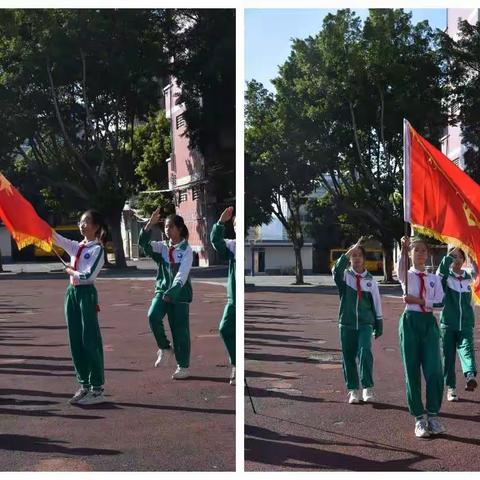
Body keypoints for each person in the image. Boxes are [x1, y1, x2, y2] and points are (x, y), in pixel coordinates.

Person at [52, 209, 107, 405]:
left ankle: (97, 388)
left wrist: (70, 271)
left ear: (96, 226)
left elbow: (89, 276)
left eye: (86, 222)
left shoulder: (97, 249)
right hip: (72, 294)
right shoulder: (78, 247)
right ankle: (84, 385)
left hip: (86, 295)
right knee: (75, 340)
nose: (82, 225)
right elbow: (57, 239)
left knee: (90, 339)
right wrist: (39, 225)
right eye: (80, 222)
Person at [397, 236, 445, 438]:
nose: (420, 254)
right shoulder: (406, 275)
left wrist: (417, 300)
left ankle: (433, 415)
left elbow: (440, 302)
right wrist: (402, 249)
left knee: (434, 369)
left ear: (428, 254)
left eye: (423, 250)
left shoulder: (434, 279)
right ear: (410, 254)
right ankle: (419, 418)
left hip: (429, 323)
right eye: (416, 250)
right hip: (410, 322)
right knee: (412, 370)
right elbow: (400, 268)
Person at [139, 208, 193, 379]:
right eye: (165, 227)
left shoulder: (186, 250)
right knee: (153, 316)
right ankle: (164, 347)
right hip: (162, 291)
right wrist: (149, 225)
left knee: (180, 331)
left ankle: (183, 366)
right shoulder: (162, 247)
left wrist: (174, 291)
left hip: (180, 295)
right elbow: (144, 245)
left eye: (170, 227)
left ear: (179, 228)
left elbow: (182, 274)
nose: (167, 230)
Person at [332, 238, 383, 404]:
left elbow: (376, 303)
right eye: (354, 255)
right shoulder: (345, 277)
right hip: (346, 323)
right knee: (348, 357)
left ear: (364, 258)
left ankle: (367, 387)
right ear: (350, 258)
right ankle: (353, 390)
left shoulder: (370, 281)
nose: (357, 258)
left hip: (365, 323)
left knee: (364, 351)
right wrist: (348, 252)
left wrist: (378, 323)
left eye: (359, 255)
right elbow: (336, 269)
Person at [437, 247, 477, 401]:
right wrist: (446, 260)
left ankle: (470, 377)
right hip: (448, 324)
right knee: (448, 357)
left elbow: (475, 294)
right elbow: (439, 277)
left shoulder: (470, 279)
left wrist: (475, 263)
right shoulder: (446, 278)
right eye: (453, 257)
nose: (457, 260)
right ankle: (451, 388)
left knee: (467, 349)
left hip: (466, 323)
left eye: (460, 257)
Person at [210, 206, 236, 385]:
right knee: (225, 328)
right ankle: (236, 363)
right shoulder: (233, 246)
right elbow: (215, 241)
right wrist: (220, 222)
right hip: (233, 300)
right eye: (235, 224)